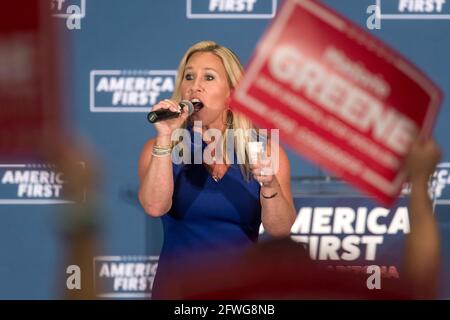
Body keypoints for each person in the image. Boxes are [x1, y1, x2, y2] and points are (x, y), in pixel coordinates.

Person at [138, 41, 297, 299]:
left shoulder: (265, 151)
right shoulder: (160, 148)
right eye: (189, 76)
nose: (194, 86)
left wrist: (270, 185)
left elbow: (280, 230)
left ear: (231, 93)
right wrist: (165, 138)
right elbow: (155, 206)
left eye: (208, 77)